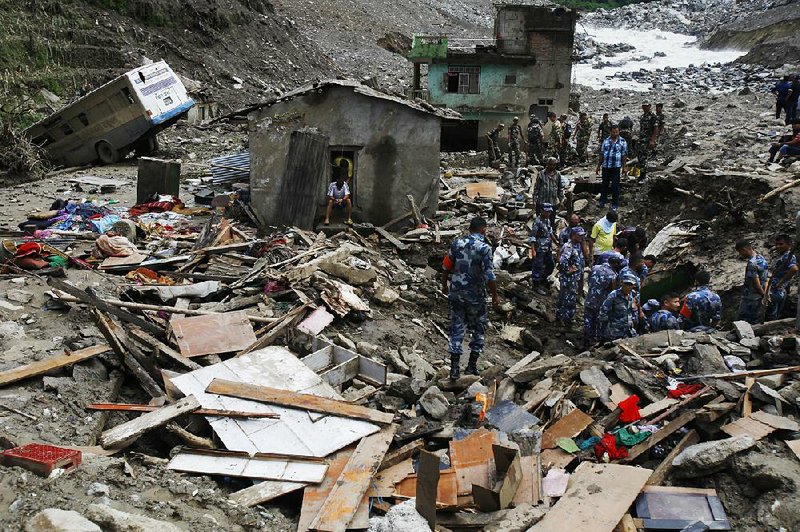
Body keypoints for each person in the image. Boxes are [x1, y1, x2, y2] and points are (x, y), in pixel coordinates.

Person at [442, 217, 500, 379]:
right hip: (475, 296)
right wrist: (495, 295)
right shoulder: (484, 248)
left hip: (456, 293)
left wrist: (444, 285)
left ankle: (454, 369)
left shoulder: (456, 244)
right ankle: (471, 367)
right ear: (483, 230)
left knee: (457, 328)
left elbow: (446, 266)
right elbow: (489, 275)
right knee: (478, 329)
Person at [584, 254, 622, 347]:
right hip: (601, 302)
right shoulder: (613, 275)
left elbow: (589, 280)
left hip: (590, 299)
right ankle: (597, 342)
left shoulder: (595, 267)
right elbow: (613, 291)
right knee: (600, 322)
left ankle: (587, 340)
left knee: (588, 320)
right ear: (616, 264)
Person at [765, 234, 798, 321]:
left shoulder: (788, 256)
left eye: (781, 244)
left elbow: (794, 269)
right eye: (776, 244)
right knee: (773, 313)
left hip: (776, 289)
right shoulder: (782, 255)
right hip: (775, 288)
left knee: (771, 314)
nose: (778, 246)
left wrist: (780, 282)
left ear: (789, 244)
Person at [556, 227, 585, 326]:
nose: (581, 237)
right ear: (573, 236)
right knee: (569, 299)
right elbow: (562, 261)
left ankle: (562, 317)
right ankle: (566, 319)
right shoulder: (569, 246)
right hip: (569, 278)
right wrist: (568, 270)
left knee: (566, 297)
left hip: (573, 277)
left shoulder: (577, 245)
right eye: (579, 235)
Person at [735, 239, 769, 324]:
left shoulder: (752, 263)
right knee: (755, 320)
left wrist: (763, 295)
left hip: (750, 297)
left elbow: (756, 283)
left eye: (740, 252)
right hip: (760, 296)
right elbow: (766, 279)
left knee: (741, 321)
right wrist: (765, 294)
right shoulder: (762, 259)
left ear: (744, 249)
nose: (740, 255)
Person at [596, 124, 628, 210]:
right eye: (613, 132)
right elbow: (602, 154)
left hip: (616, 167)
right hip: (606, 166)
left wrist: (624, 167)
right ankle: (602, 201)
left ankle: (615, 204)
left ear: (619, 131)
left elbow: (624, 155)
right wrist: (598, 166)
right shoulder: (605, 141)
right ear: (610, 132)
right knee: (604, 185)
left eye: (617, 132)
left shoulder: (622, 141)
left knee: (615, 186)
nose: (615, 133)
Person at [599, 272, 638, 341]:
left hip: (629, 331)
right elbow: (603, 312)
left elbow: (634, 310)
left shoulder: (634, 295)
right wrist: (603, 332)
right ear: (622, 283)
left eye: (630, 285)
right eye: (626, 284)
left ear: (633, 285)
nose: (628, 287)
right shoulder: (614, 295)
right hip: (615, 332)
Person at [528, 203, 555, 295]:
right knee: (538, 266)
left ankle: (543, 280)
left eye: (550, 212)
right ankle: (536, 285)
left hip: (548, 247)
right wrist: (533, 250)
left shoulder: (547, 220)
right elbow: (532, 236)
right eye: (547, 211)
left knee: (551, 264)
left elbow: (550, 232)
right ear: (542, 211)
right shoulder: (537, 221)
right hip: (539, 247)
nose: (548, 213)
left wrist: (557, 242)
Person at [637, 101, 659, 182]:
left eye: (646, 106)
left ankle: (643, 176)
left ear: (649, 106)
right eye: (643, 106)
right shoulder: (643, 117)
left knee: (644, 157)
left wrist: (653, 140)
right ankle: (641, 174)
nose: (644, 107)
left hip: (647, 140)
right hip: (641, 140)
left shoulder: (653, 116)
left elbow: (656, 129)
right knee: (640, 157)